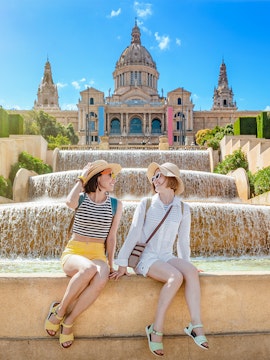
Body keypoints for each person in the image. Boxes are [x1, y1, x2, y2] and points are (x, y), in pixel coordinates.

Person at [110, 162, 208, 356]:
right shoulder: (146, 204)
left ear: (171, 180)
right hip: (145, 257)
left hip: (165, 256)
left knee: (189, 272)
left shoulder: (183, 208)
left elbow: (183, 241)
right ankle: (156, 329)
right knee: (175, 277)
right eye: (153, 177)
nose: (155, 180)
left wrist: (187, 263)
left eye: (159, 176)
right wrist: (121, 263)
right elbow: (134, 233)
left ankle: (196, 326)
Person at [45, 160, 123, 348]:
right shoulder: (81, 198)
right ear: (97, 177)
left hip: (98, 254)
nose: (113, 179)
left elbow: (111, 238)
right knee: (88, 269)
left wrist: (110, 264)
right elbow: (69, 202)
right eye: (109, 174)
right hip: (74, 252)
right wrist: (82, 177)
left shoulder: (115, 204)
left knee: (101, 276)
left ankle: (69, 321)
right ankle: (59, 312)